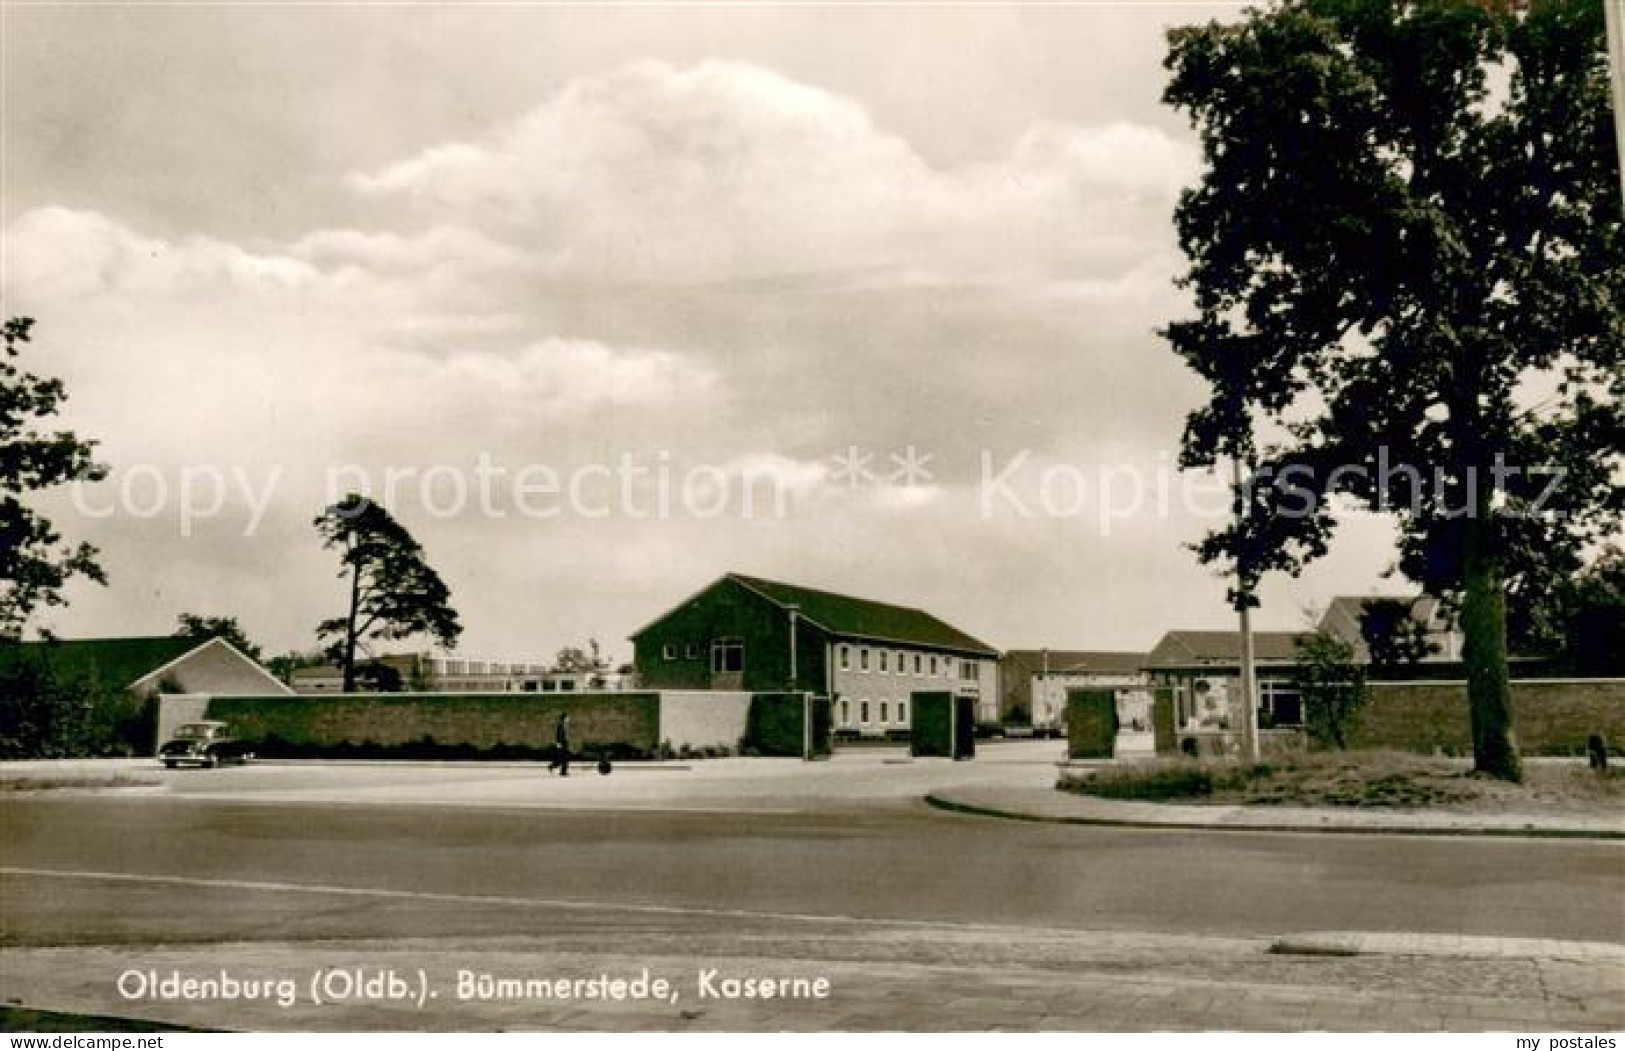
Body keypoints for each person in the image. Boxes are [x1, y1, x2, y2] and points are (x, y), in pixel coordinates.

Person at [548, 712, 571, 777]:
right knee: (565, 758)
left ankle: (553, 767)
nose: (568, 719)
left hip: (564, 743)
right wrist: (559, 743)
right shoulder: (561, 725)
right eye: (567, 718)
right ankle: (563, 772)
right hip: (562, 744)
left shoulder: (564, 725)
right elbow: (559, 735)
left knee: (562, 758)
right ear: (564, 718)